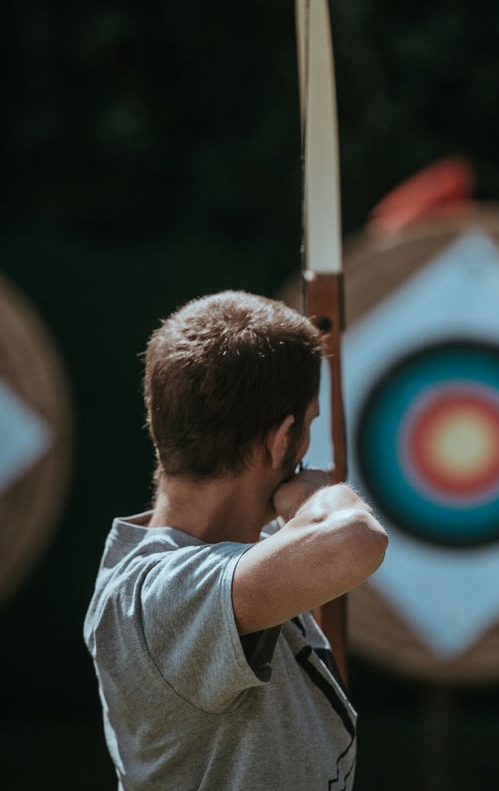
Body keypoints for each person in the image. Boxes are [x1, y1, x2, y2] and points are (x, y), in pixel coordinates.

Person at [83, 290, 388, 790]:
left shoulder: (251, 552)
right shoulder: (155, 597)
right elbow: (353, 539)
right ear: (280, 438)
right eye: (308, 426)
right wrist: (318, 496)